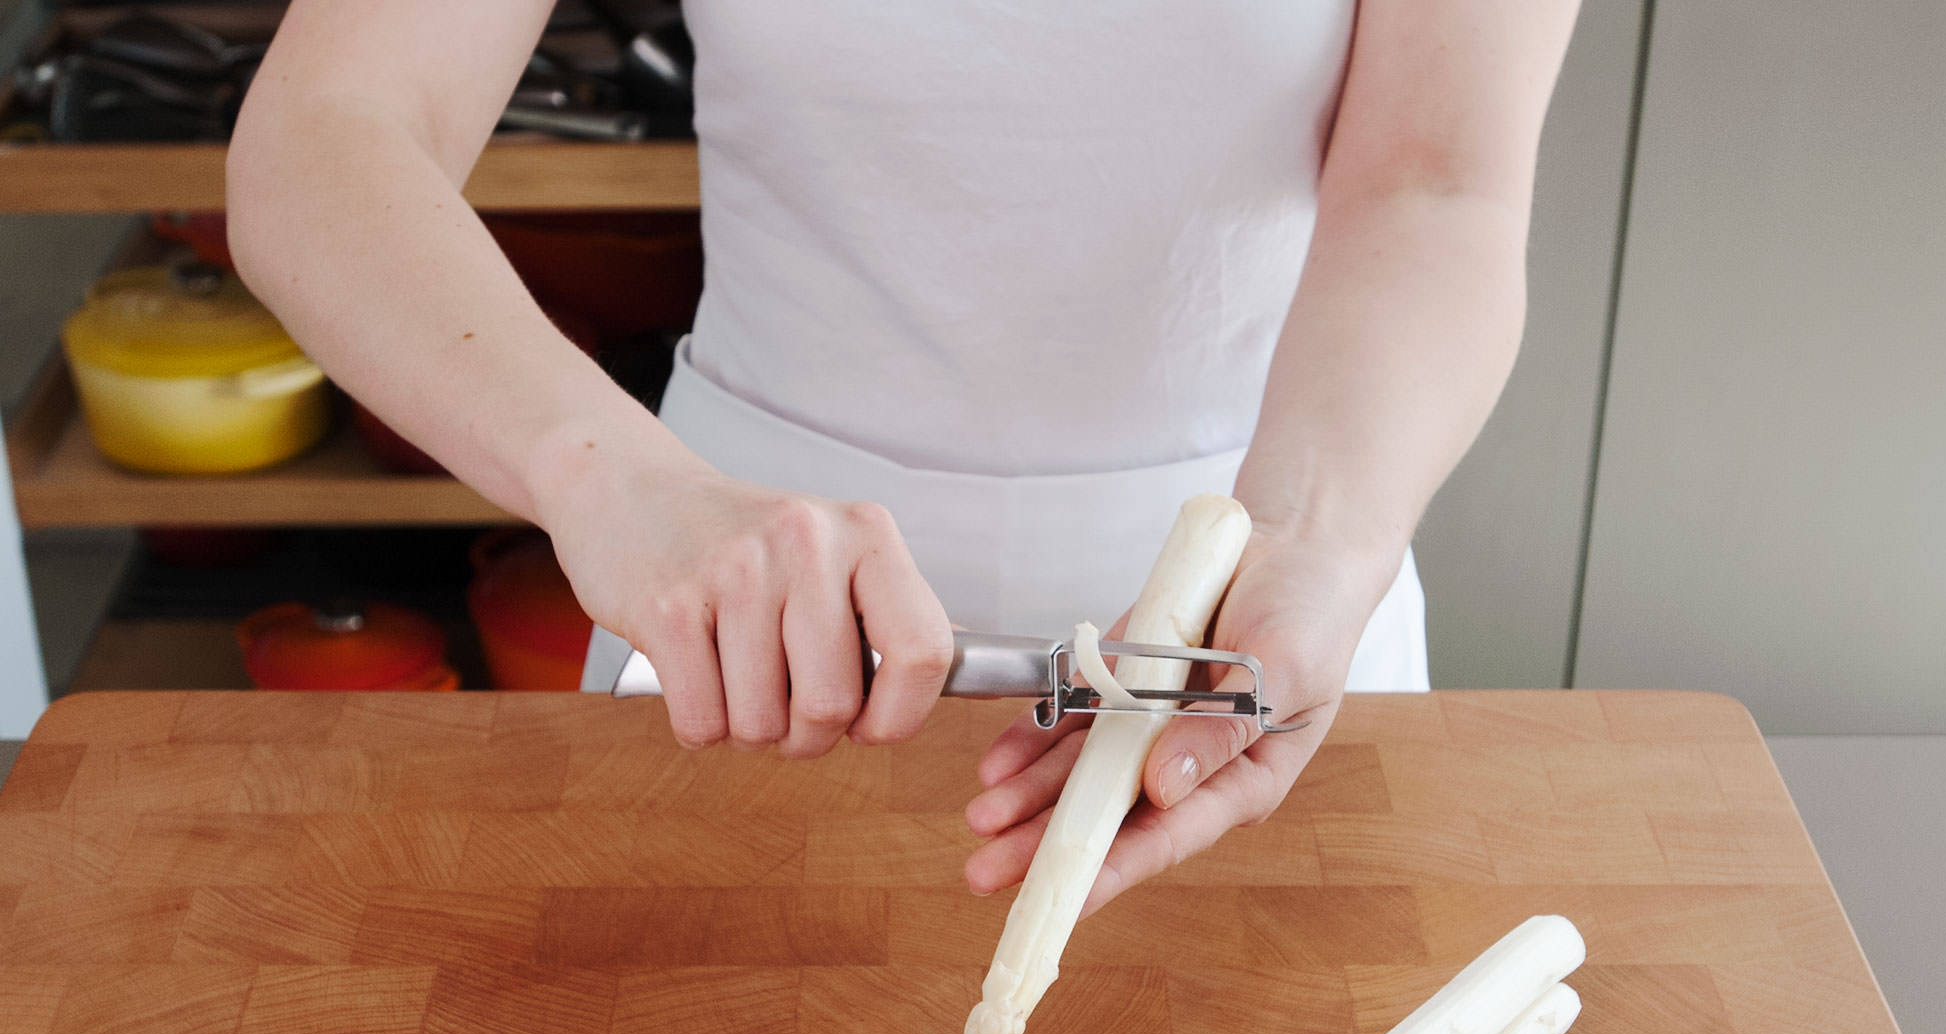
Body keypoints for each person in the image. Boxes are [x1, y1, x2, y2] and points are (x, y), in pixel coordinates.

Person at [228, 0, 1579, 911]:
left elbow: (1437, 181)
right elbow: (327, 133)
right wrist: (614, 481)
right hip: (734, 599)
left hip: (1270, 588)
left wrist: (1317, 542)